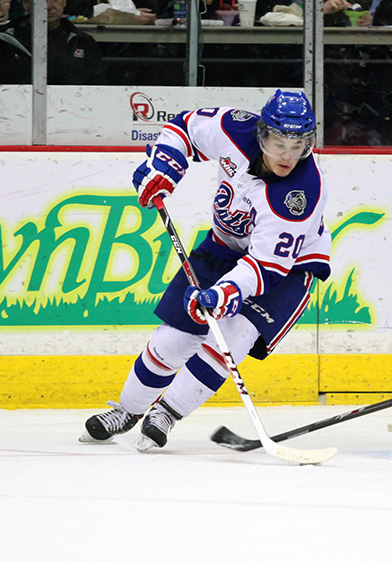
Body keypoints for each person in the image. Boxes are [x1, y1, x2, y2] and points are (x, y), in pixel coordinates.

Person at [79, 89, 332, 451]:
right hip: (224, 246)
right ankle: (126, 410)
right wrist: (164, 165)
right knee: (173, 339)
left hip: (287, 268)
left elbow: (266, 266)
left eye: (298, 146)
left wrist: (225, 292)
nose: (287, 156)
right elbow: (182, 127)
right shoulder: (234, 129)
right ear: (262, 134)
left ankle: (166, 413)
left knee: (232, 337)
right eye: (279, 143)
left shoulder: (300, 194)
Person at [0, 0, 107, 84]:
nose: (49, 6)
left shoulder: (83, 42)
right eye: (41, 1)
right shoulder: (4, 40)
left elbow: (99, 88)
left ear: (64, 2)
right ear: (26, 4)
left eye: (55, 0)